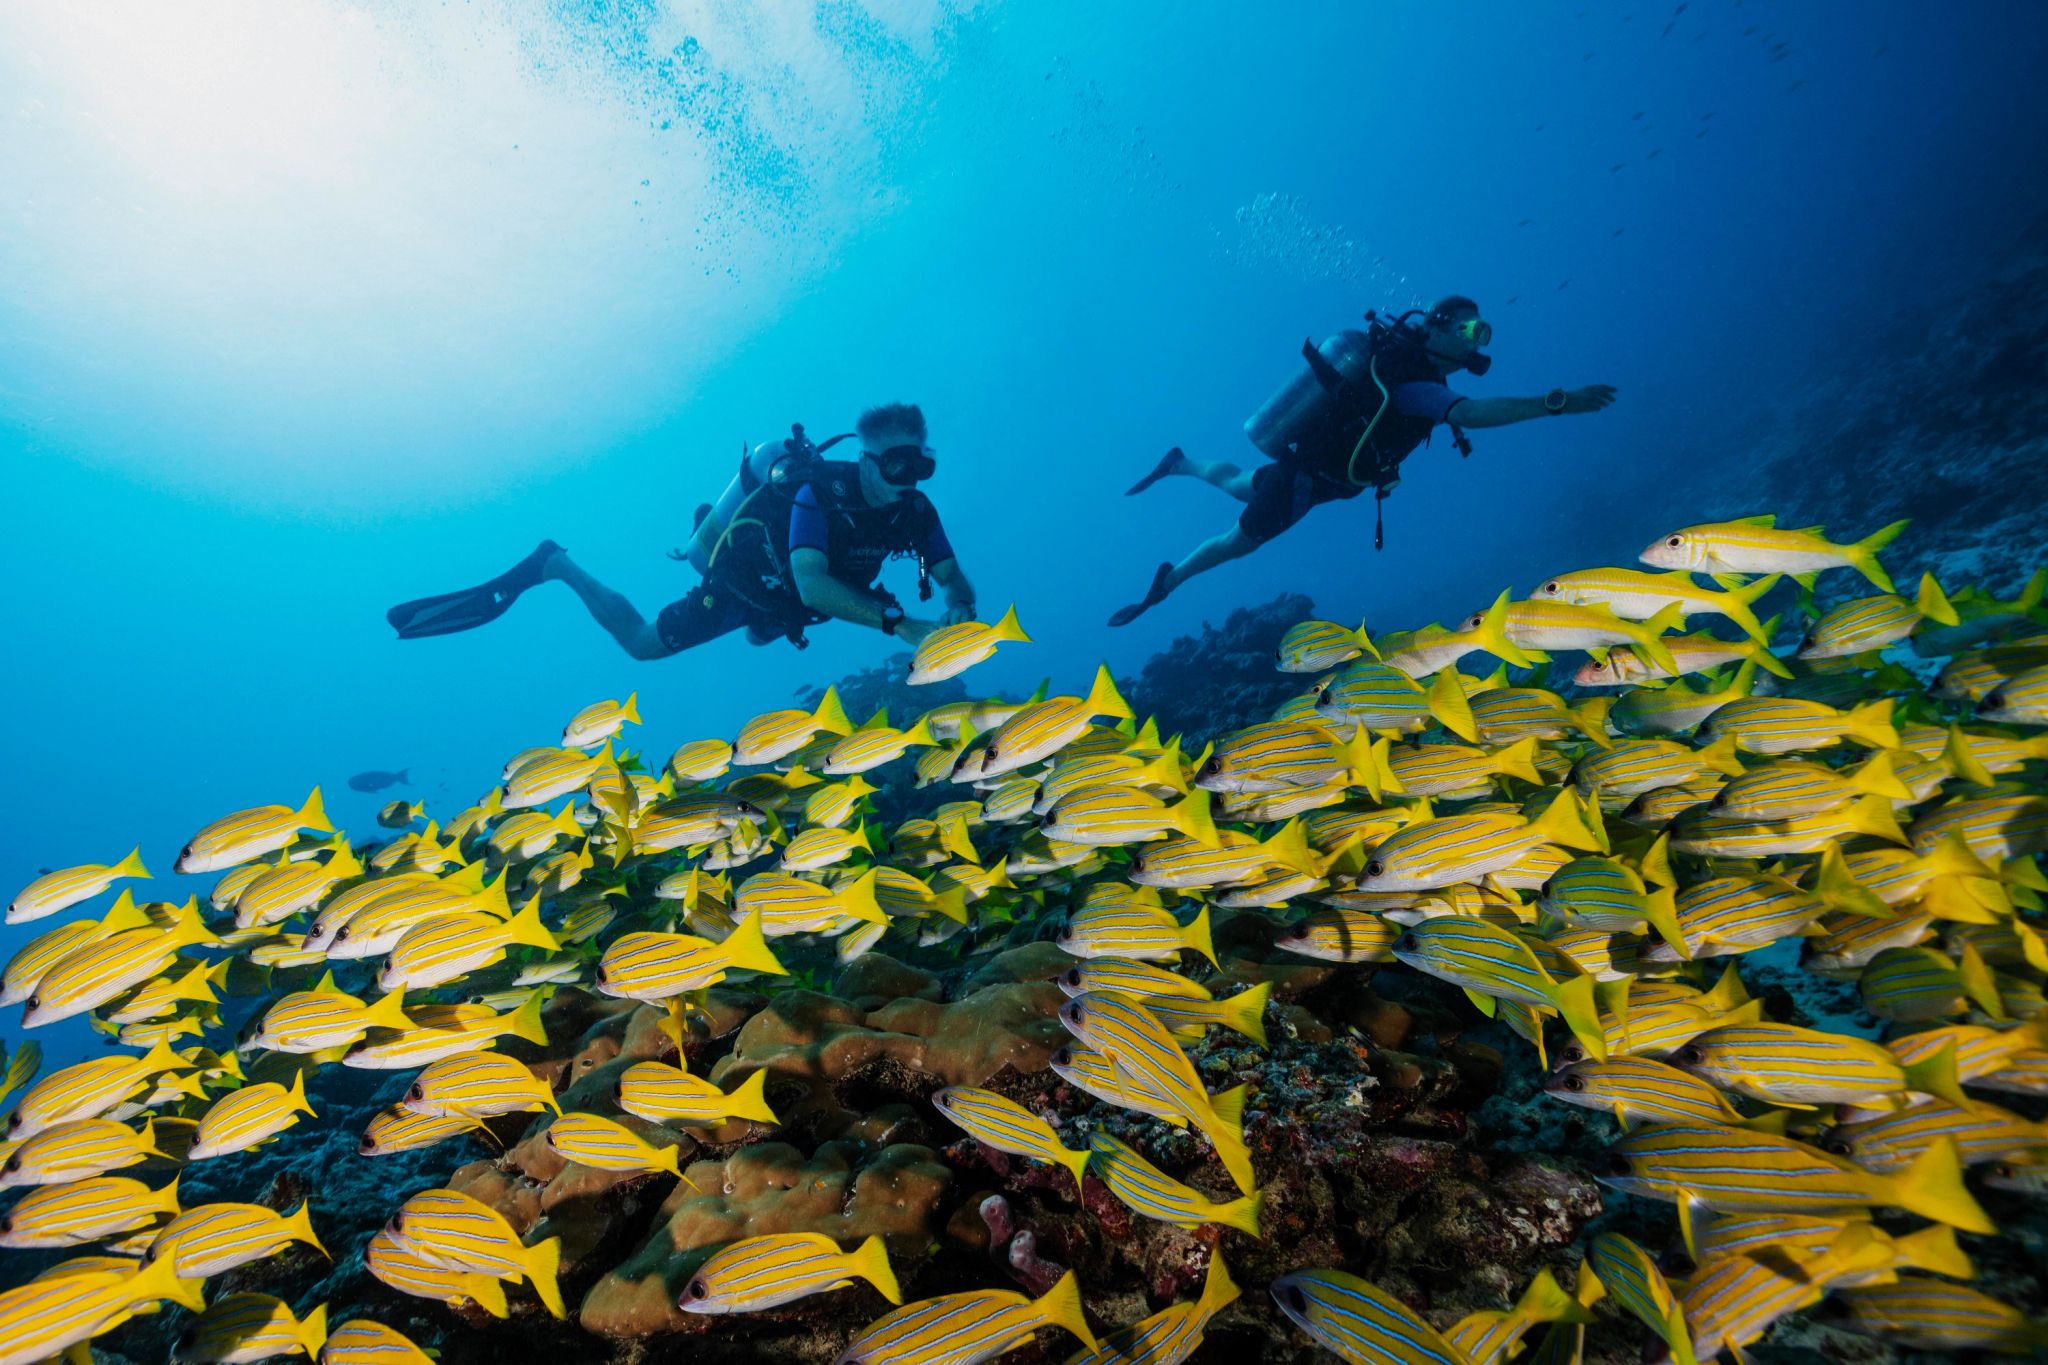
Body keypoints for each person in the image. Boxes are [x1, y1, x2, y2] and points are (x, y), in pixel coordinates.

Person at [1107, 296, 1616, 626]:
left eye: (1479, 335)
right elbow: (1475, 412)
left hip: (1318, 472)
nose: (1472, 344)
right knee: (1237, 544)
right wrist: (1555, 402)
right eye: (1466, 331)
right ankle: (1166, 584)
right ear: (1436, 329)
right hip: (1308, 479)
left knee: (1241, 481)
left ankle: (1179, 463)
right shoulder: (1415, 383)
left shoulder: (1416, 377)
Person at [386, 403, 978, 657]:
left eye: (920, 466)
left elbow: (951, 576)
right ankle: (555, 564)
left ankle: (760, 618)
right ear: (868, 459)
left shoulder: (916, 512)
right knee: (643, 645)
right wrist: (904, 627)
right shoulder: (817, 491)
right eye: (897, 466)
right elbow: (812, 581)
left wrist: (961, 605)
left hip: (787, 608)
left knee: (764, 634)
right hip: (748, 580)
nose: (909, 480)